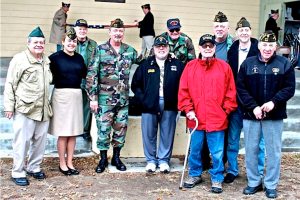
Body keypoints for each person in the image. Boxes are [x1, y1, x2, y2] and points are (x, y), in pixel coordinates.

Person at [237, 31, 295, 198]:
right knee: (251, 150)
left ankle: (270, 184)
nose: (267, 48)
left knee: (273, 151)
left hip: (274, 116)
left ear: (275, 47)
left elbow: (289, 88)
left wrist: (273, 102)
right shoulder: (248, 64)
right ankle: (254, 182)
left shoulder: (284, 64)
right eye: (264, 45)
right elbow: (241, 88)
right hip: (251, 115)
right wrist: (253, 106)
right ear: (259, 46)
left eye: (271, 45)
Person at [178, 34, 237, 193]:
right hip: (195, 118)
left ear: (215, 48)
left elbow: (231, 93)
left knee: (217, 152)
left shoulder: (224, 67)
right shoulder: (190, 67)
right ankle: (195, 174)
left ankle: (217, 177)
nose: (208, 48)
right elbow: (183, 92)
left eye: (211, 46)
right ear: (200, 48)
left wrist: (225, 111)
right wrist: (188, 110)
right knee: (195, 150)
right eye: (205, 46)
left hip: (217, 119)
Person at [86, 18, 138, 173]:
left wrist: (168, 56)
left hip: (123, 99)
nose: (118, 33)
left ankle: (116, 158)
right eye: (115, 30)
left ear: (123, 33)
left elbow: (145, 61)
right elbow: (92, 75)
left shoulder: (130, 50)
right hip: (103, 100)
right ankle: (103, 159)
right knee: (103, 130)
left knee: (120, 129)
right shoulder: (100, 49)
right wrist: (93, 98)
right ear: (109, 32)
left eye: (121, 31)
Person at [3, 27, 52, 186]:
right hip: (25, 108)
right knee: (22, 142)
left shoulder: (46, 60)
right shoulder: (19, 59)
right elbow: (10, 84)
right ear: (28, 43)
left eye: (41, 42)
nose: (39, 45)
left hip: (43, 108)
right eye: (36, 42)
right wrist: (9, 107)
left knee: (40, 142)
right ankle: (18, 171)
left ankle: (34, 167)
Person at [131, 36, 184, 173]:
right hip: (149, 105)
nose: (161, 48)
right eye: (158, 46)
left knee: (167, 133)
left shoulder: (177, 65)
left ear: (168, 48)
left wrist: (179, 101)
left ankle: (164, 160)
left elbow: (184, 85)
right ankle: (151, 161)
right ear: (154, 48)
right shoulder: (145, 65)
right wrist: (144, 99)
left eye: (164, 46)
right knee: (148, 133)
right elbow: (135, 85)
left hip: (170, 104)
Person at [225, 17, 265, 183]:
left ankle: (257, 172)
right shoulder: (232, 50)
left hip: (254, 103)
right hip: (235, 102)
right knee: (233, 140)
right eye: (241, 30)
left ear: (250, 32)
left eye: (246, 30)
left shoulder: (259, 49)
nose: (244, 33)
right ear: (236, 33)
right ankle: (232, 170)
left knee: (257, 142)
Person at [49, 27, 87, 176]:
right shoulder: (54, 58)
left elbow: (85, 75)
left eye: (74, 41)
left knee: (73, 132)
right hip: (61, 96)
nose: (72, 43)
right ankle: (62, 163)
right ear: (63, 41)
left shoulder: (79, 58)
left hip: (76, 95)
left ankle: (70, 161)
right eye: (69, 41)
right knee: (63, 132)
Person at [74, 19, 98, 146]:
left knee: (87, 106)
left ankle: (85, 130)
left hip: (88, 79)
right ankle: (73, 128)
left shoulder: (93, 44)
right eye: (80, 29)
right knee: (73, 105)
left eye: (84, 29)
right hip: (73, 79)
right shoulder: (70, 42)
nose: (82, 31)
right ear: (75, 30)